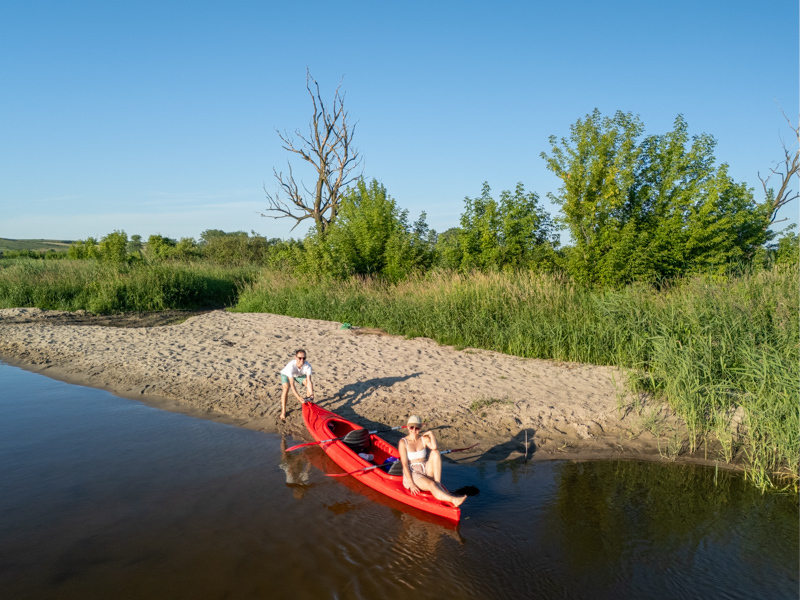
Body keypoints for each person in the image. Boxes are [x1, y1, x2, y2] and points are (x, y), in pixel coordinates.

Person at [398, 415, 467, 508]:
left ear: (420, 427)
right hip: (413, 472)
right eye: (411, 427)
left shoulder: (424, 439)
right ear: (407, 427)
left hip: (425, 467)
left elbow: (434, 447)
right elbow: (405, 465)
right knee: (431, 484)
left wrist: (431, 434)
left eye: (417, 428)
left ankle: (438, 483)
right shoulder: (403, 442)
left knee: (435, 452)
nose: (414, 430)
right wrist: (411, 483)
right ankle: (453, 499)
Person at [279, 349, 314, 421]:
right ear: (296, 357)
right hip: (286, 374)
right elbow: (292, 385)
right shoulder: (290, 366)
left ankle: (308, 403)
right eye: (300, 358)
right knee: (286, 388)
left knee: (308, 383)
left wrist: (311, 394)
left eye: (304, 358)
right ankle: (283, 411)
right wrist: (298, 398)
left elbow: (309, 382)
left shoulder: (308, 366)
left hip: (298, 375)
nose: (302, 360)